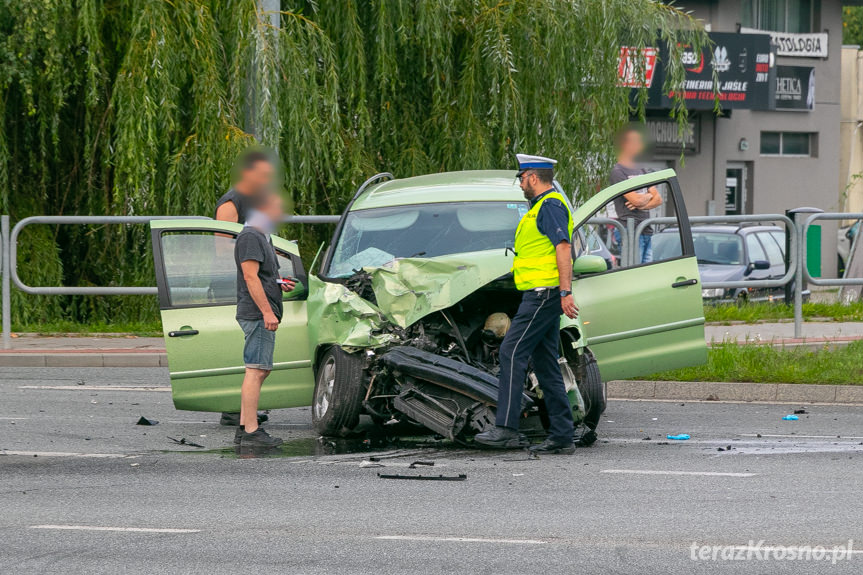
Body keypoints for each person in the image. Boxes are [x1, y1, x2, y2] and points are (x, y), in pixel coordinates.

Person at [475, 154, 578, 455]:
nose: (520, 183)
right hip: (540, 293)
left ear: (533, 177)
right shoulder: (538, 210)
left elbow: (563, 247)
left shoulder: (551, 205)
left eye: (521, 178)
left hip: (544, 294)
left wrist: (565, 292)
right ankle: (562, 434)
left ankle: (506, 429)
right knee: (545, 362)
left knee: (511, 351)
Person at [216, 149, 276, 427]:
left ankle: (242, 415)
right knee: (252, 362)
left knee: (252, 360)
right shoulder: (231, 203)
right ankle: (240, 418)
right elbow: (221, 248)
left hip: (251, 285)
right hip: (239, 287)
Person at [234, 191, 295, 447]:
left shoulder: (261, 236)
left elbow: (261, 274)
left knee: (260, 369)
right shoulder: (250, 236)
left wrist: (278, 283)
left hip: (262, 311)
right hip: (258, 313)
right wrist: (267, 312)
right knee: (256, 370)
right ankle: (250, 432)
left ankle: (244, 425)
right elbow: (250, 277)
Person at [610, 126, 663, 264]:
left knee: (646, 274)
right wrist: (647, 196)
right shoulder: (618, 171)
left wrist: (644, 201)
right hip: (630, 229)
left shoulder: (642, 169)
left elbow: (658, 199)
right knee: (634, 273)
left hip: (645, 228)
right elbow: (636, 200)